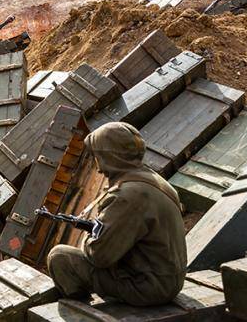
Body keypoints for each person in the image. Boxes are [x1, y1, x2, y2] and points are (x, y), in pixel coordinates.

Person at [47, 122, 187, 306]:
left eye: (98, 157)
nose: (98, 168)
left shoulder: (127, 196)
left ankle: (84, 313)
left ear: (108, 157)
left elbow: (99, 256)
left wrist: (90, 236)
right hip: (167, 280)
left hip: (148, 288)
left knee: (60, 257)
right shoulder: (155, 181)